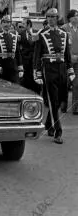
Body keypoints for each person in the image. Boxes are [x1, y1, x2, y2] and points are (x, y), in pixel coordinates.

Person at [34, 8, 75, 144]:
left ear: (57, 18)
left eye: (53, 16)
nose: (51, 18)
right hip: (48, 69)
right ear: (46, 18)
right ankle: (58, 131)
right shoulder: (42, 34)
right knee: (52, 100)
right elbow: (37, 55)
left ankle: (48, 124)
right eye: (49, 16)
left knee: (61, 99)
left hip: (62, 68)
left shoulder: (64, 34)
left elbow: (67, 54)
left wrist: (70, 71)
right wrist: (38, 72)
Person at [0, 15, 24, 84]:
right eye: (4, 22)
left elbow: (18, 53)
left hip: (13, 66)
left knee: (15, 87)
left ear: (10, 24)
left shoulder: (14, 36)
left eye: (8, 22)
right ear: (1, 24)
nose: (6, 24)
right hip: (1, 66)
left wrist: (20, 68)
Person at [19, 18, 41, 94]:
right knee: (26, 78)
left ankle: (36, 93)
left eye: (24, 24)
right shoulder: (21, 34)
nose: (22, 25)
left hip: (35, 59)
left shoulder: (36, 33)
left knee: (35, 77)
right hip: (25, 60)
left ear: (28, 24)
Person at [63, 9, 78, 114]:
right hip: (67, 61)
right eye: (75, 16)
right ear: (70, 18)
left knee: (76, 84)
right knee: (66, 84)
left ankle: (75, 108)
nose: (77, 17)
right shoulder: (64, 28)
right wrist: (69, 56)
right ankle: (63, 105)